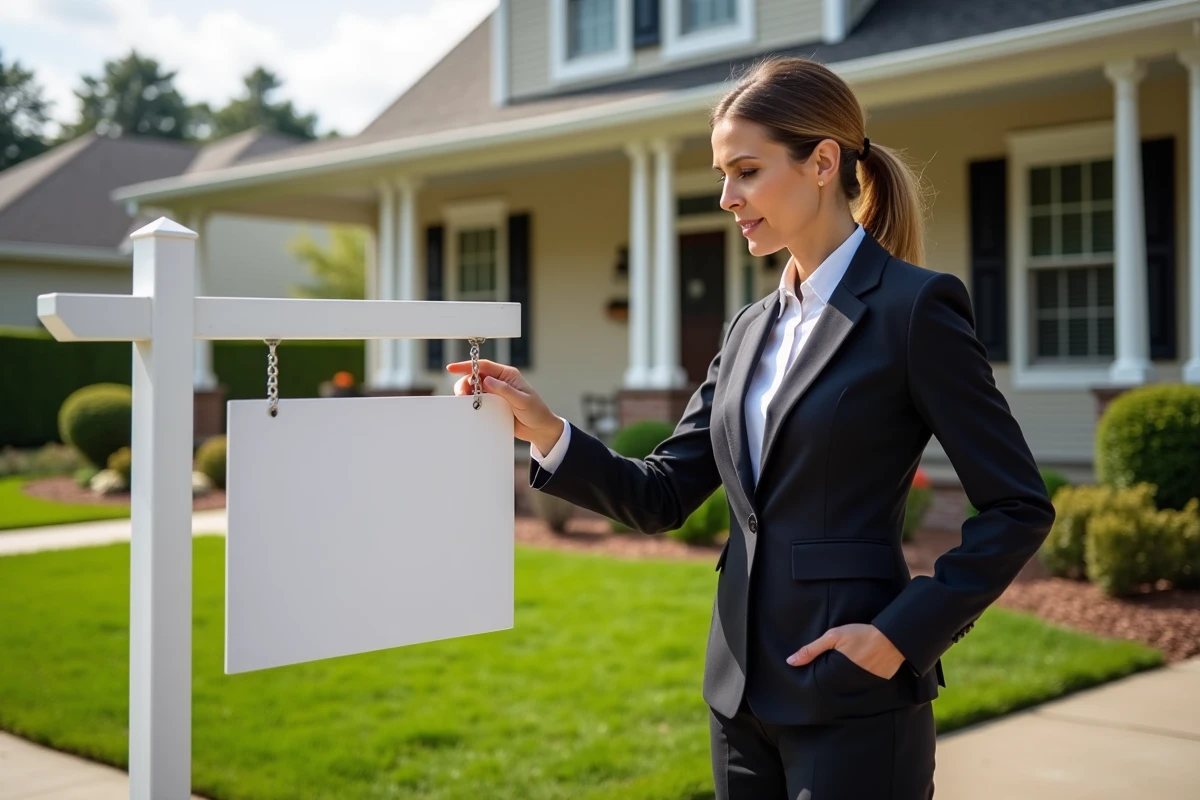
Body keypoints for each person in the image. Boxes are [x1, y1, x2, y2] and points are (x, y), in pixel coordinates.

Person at [447, 56, 1056, 799]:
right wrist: (545, 430)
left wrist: (901, 636)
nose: (727, 197)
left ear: (823, 162)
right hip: (737, 700)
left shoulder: (914, 310)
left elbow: (1018, 505)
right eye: (722, 174)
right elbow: (663, 493)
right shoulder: (748, 330)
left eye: (746, 171)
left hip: (854, 702)